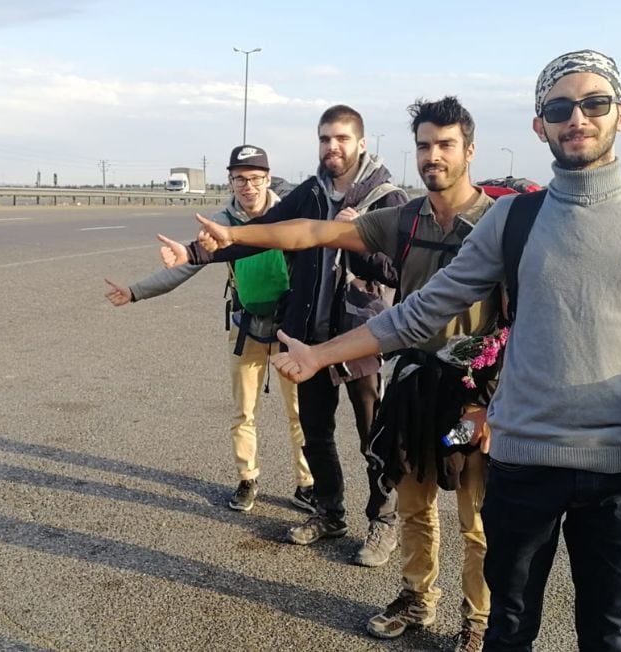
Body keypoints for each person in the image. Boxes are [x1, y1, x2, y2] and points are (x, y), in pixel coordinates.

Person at [268, 50, 621, 652]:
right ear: (540, 125)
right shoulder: (514, 219)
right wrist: (322, 355)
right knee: (507, 628)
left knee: (608, 637)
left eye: (594, 103)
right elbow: (421, 311)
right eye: (559, 107)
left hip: (620, 475)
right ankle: (417, 596)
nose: (577, 117)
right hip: (523, 464)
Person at [194, 97, 498, 651]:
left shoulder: (498, 224)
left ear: (468, 151)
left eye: (445, 144)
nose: (434, 155)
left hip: (470, 401)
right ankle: (415, 597)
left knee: (473, 513)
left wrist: (490, 403)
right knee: (414, 500)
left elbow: (518, 317)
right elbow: (310, 232)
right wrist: (235, 237)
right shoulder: (405, 220)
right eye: (425, 145)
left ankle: (477, 618)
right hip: (412, 390)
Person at [159, 105, 409, 566]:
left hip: (358, 335)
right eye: (324, 139)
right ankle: (329, 511)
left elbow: (395, 270)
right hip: (305, 336)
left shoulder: (388, 199)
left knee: (371, 434)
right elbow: (259, 232)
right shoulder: (312, 192)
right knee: (316, 432)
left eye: (341, 139)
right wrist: (195, 251)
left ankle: (383, 520)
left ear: (361, 143)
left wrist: (353, 237)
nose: (331, 147)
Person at [105, 145, 315, 513]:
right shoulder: (221, 221)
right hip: (246, 325)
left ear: (267, 178)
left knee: (299, 412)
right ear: (230, 181)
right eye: (239, 178)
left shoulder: (289, 214)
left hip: (290, 330)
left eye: (254, 178)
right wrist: (135, 292)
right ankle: (247, 479)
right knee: (243, 410)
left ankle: (307, 484)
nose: (247, 186)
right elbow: (185, 266)